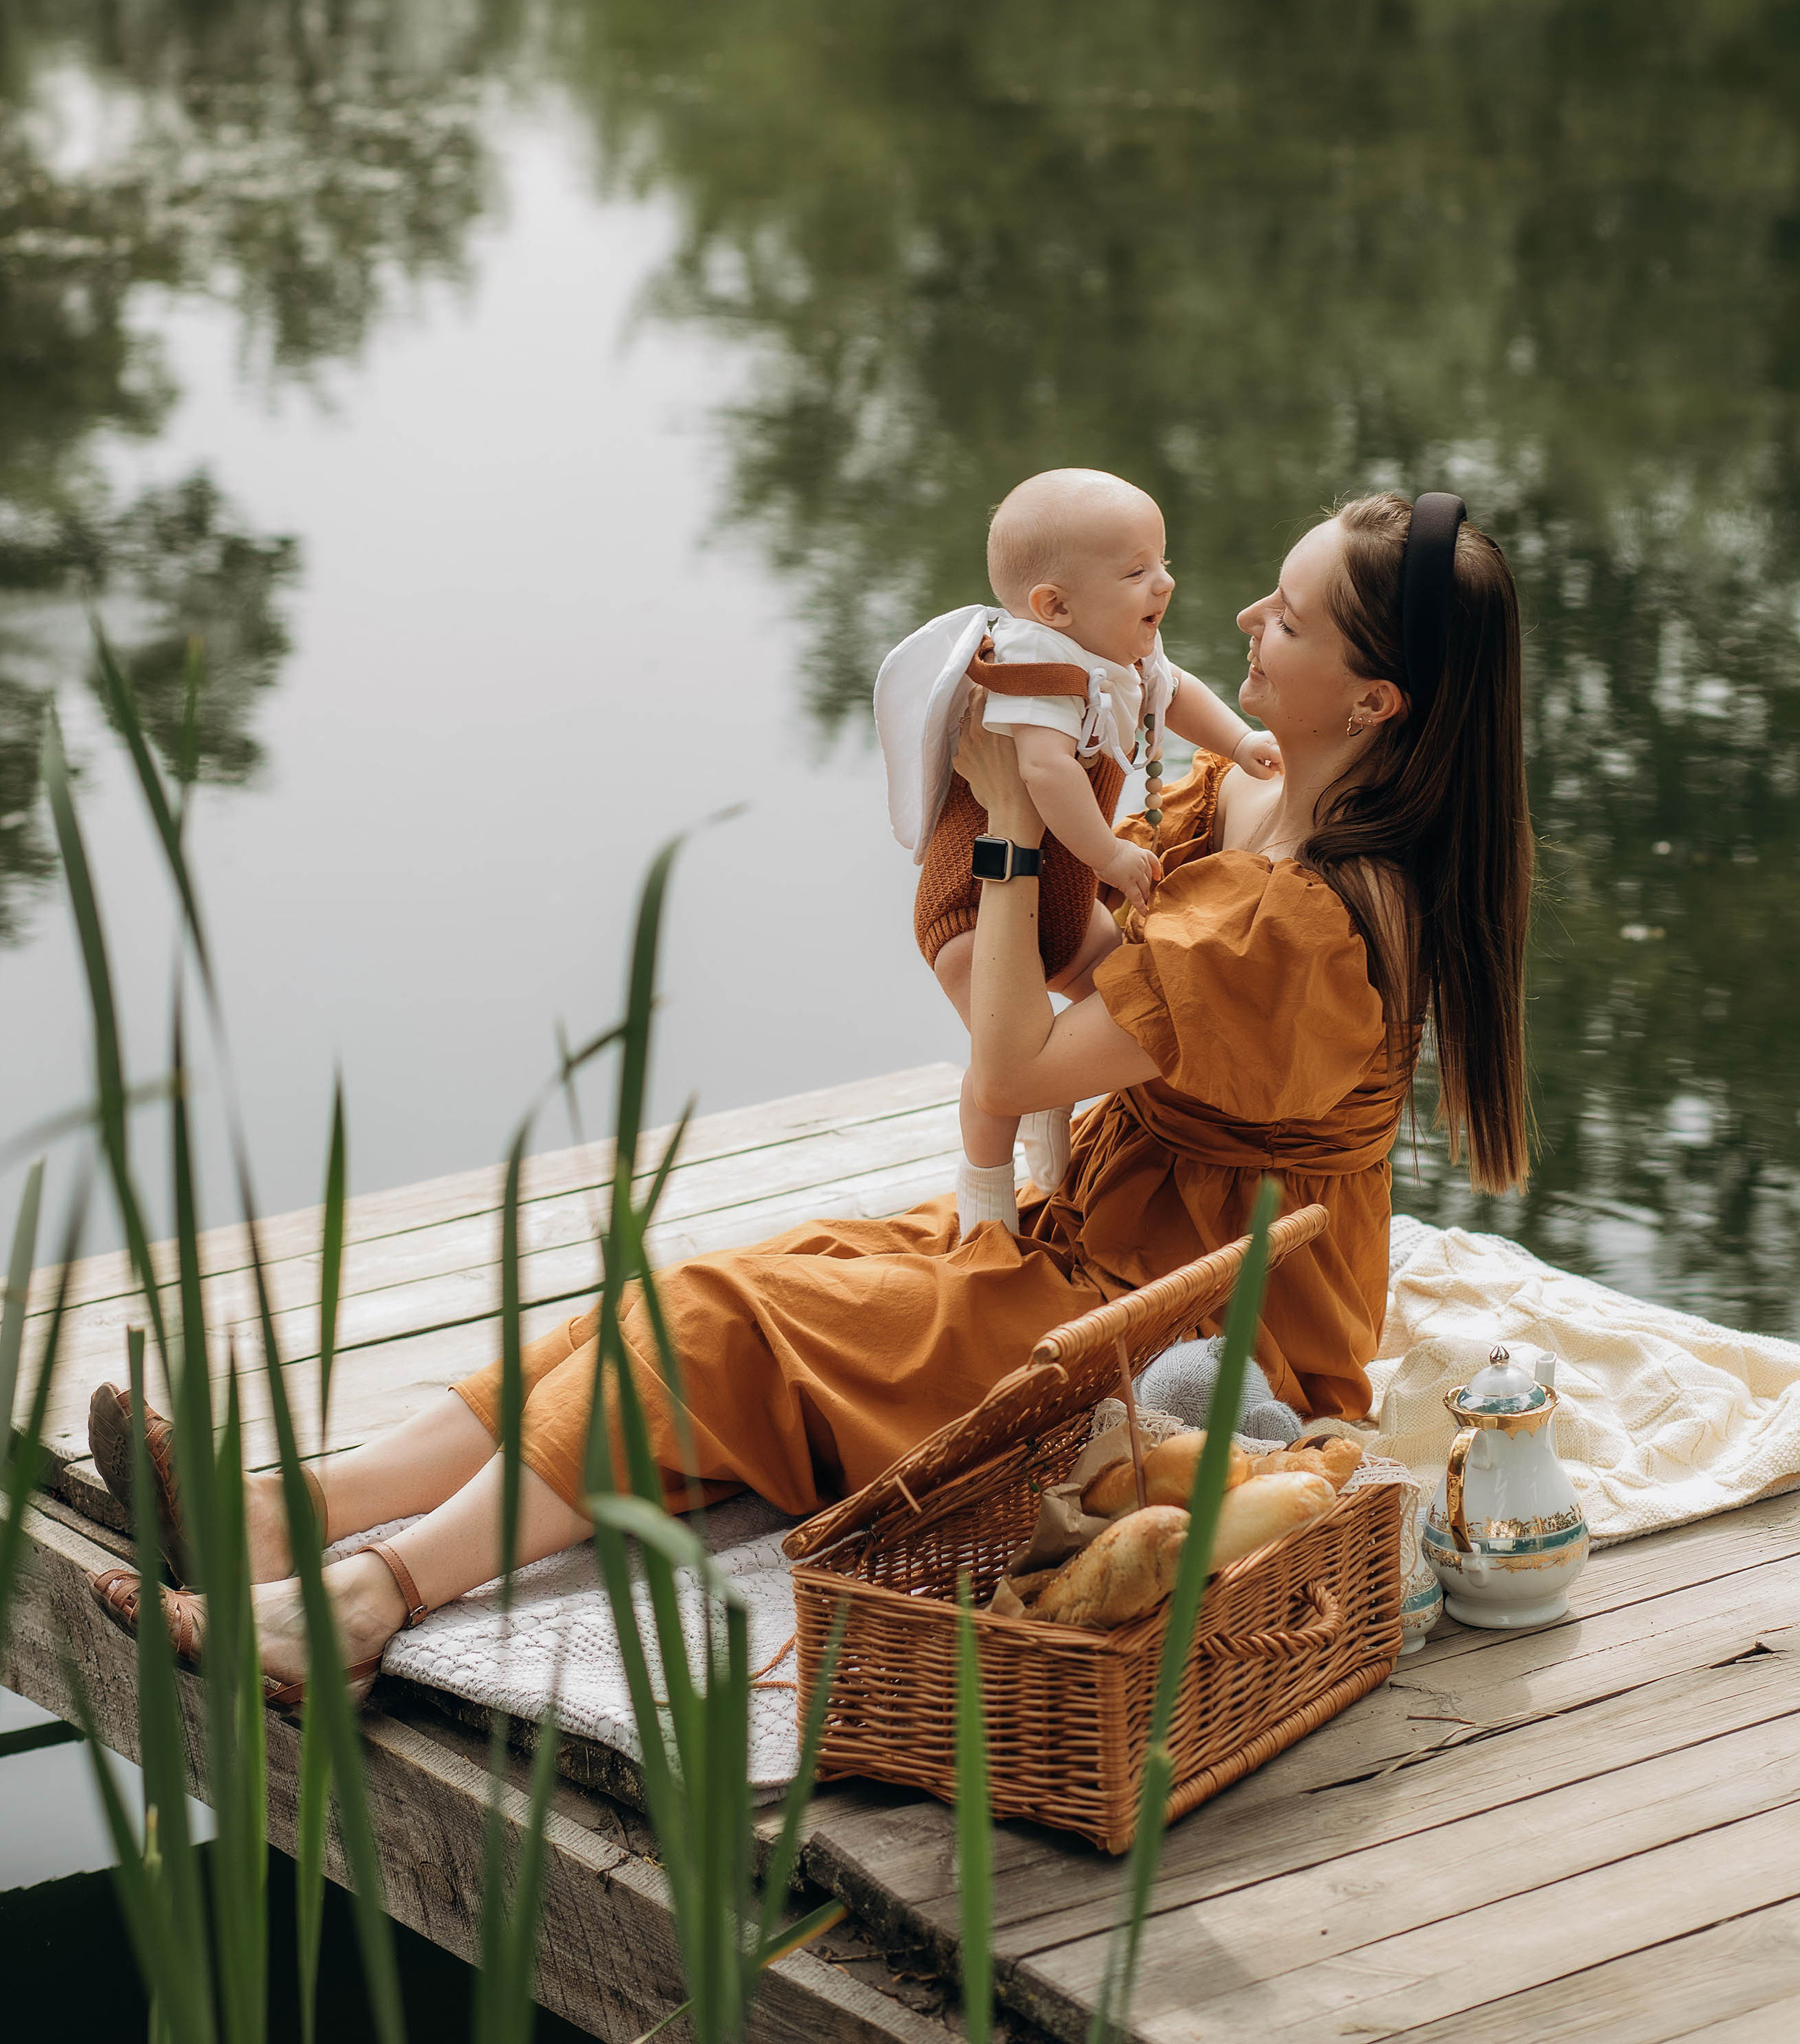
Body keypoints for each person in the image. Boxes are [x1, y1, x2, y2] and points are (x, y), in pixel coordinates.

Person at [88, 491, 1533, 1704]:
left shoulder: (1305, 922)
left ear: (1373, 698)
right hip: (1103, 1232)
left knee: (725, 1336)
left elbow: (1016, 1063)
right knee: (710, 1287)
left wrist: (1020, 833)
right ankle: (290, 1510)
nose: (1238, 625)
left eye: (1282, 618)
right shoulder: (1245, 792)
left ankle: (367, 1596)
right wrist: (1006, 831)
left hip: (1196, 1331)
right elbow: (1055, 991)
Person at [876, 466, 1278, 1232]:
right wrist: (1106, 858)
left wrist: (1240, 738)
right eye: (1136, 571)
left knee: (1112, 992)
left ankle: (1051, 1111)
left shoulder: (1121, 651)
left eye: (1161, 561)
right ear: (1053, 606)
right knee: (998, 1071)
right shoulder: (1034, 665)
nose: (1164, 582)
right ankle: (985, 1197)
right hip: (972, 901)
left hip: (1056, 899)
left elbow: (1177, 690)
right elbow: (1042, 772)